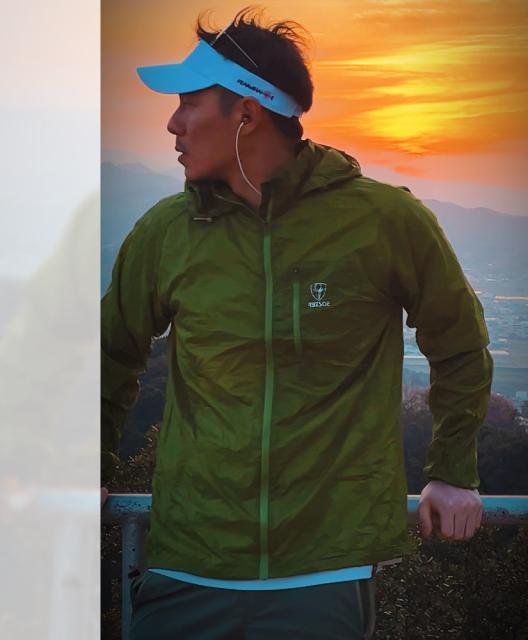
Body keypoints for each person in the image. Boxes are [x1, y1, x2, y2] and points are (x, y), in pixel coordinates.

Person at [101, 7, 493, 639]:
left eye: (189, 104)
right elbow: (109, 352)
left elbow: (460, 342)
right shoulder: (166, 231)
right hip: (186, 565)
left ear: (246, 114)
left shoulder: (385, 221)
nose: (172, 124)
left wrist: (451, 470)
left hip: (324, 573)